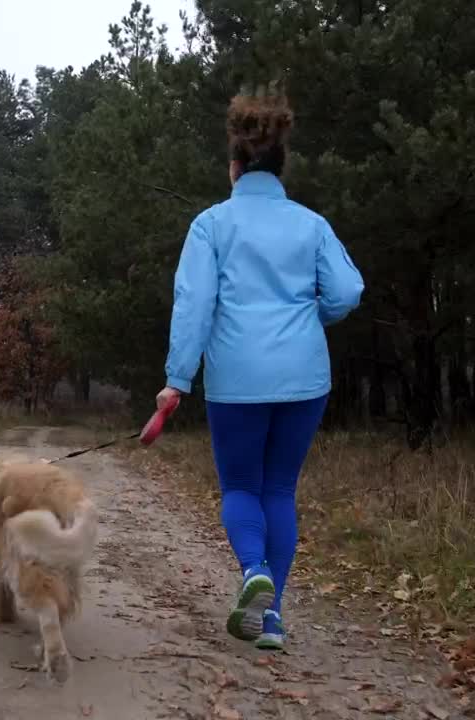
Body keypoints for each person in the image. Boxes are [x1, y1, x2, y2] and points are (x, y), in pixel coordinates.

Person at [156, 91, 364, 651]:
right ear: (280, 167)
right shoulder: (312, 225)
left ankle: (253, 572)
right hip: (304, 378)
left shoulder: (211, 225)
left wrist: (178, 379)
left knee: (242, 486)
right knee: (280, 489)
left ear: (235, 167)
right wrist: (311, 316)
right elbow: (347, 290)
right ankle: (271, 620)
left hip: (238, 380)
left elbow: (193, 303)